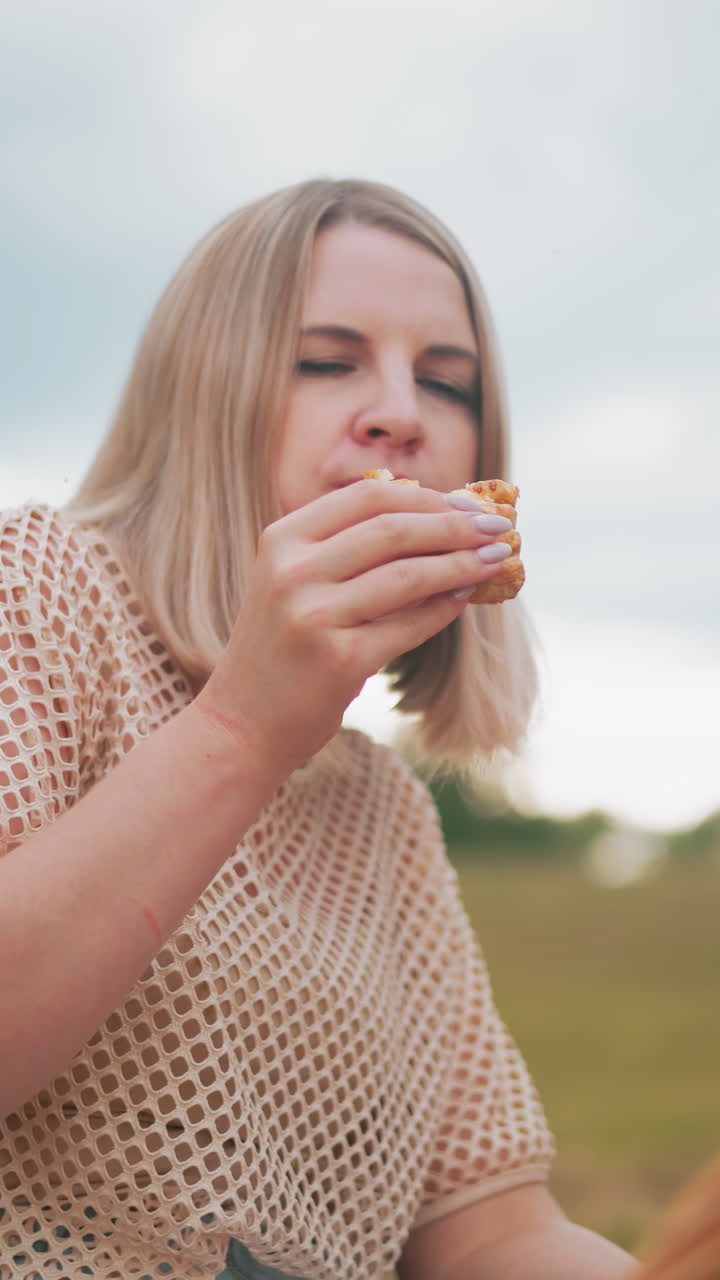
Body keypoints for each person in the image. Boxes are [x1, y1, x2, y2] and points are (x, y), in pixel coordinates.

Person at [0, 178, 633, 1280]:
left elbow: (489, 1230)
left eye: (448, 381)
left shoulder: (384, 808)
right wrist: (245, 730)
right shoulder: (40, 591)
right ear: (206, 395)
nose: (404, 413)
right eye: (327, 361)